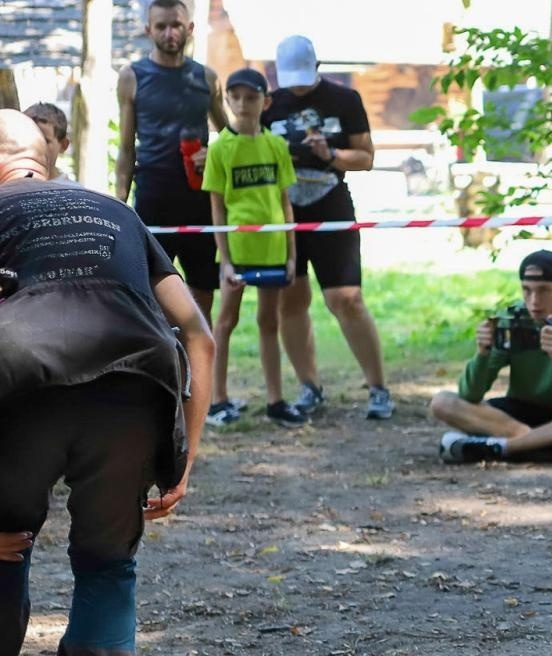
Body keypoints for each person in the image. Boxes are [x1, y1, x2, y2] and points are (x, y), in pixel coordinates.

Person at [0, 110, 215, 656]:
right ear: (49, 159)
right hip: (132, 388)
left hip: (19, 388)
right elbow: (198, 334)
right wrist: (186, 456)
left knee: (3, 547)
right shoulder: (114, 211)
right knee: (106, 563)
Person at [262, 35, 392, 421]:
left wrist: (331, 154)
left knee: (346, 299)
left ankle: (379, 388)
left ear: (317, 67)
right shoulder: (271, 104)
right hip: (284, 209)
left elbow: (366, 157)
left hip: (331, 201)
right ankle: (309, 386)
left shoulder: (344, 100)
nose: (298, 86)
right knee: (292, 299)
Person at [430, 250, 552, 463]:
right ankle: (550, 445)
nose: (534, 301)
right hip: (520, 412)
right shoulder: (514, 319)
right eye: (527, 290)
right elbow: (470, 394)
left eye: (544, 290)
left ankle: (504, 447)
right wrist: (482, 354)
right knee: (442, 402)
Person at [114, 0, 228, 320]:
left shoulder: (206, 78)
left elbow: (230, 137)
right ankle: (165, 358)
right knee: (152, 286)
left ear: (189, 28)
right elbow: (125, 148)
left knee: (203, 286)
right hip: (153, 193)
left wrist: (215, 152)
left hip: (200, 194)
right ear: (148, 30)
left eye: (176, 25)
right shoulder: (132, 76)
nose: (169, 33)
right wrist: (119, 204)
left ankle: (197, 358)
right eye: (161, 26)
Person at [202, 68, 299, 428]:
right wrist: (224, 260)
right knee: (225, 321)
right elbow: (217, 207)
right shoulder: (221, 149)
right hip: (237, 253)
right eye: (236, 97)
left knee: (269, 321)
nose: (243, 104)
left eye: (252, 97)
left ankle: (275, 399)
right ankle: (218, 399)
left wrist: (291, 255)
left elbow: (286, 202)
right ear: (227, 100)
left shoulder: (276, 145)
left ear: (265, 101)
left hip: (273, 249)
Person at [23, 103, 75, 184]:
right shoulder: (7, 187)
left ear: (64, 145)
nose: (35, 147)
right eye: (28, 139)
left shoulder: (74, 193)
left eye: (45, 141)